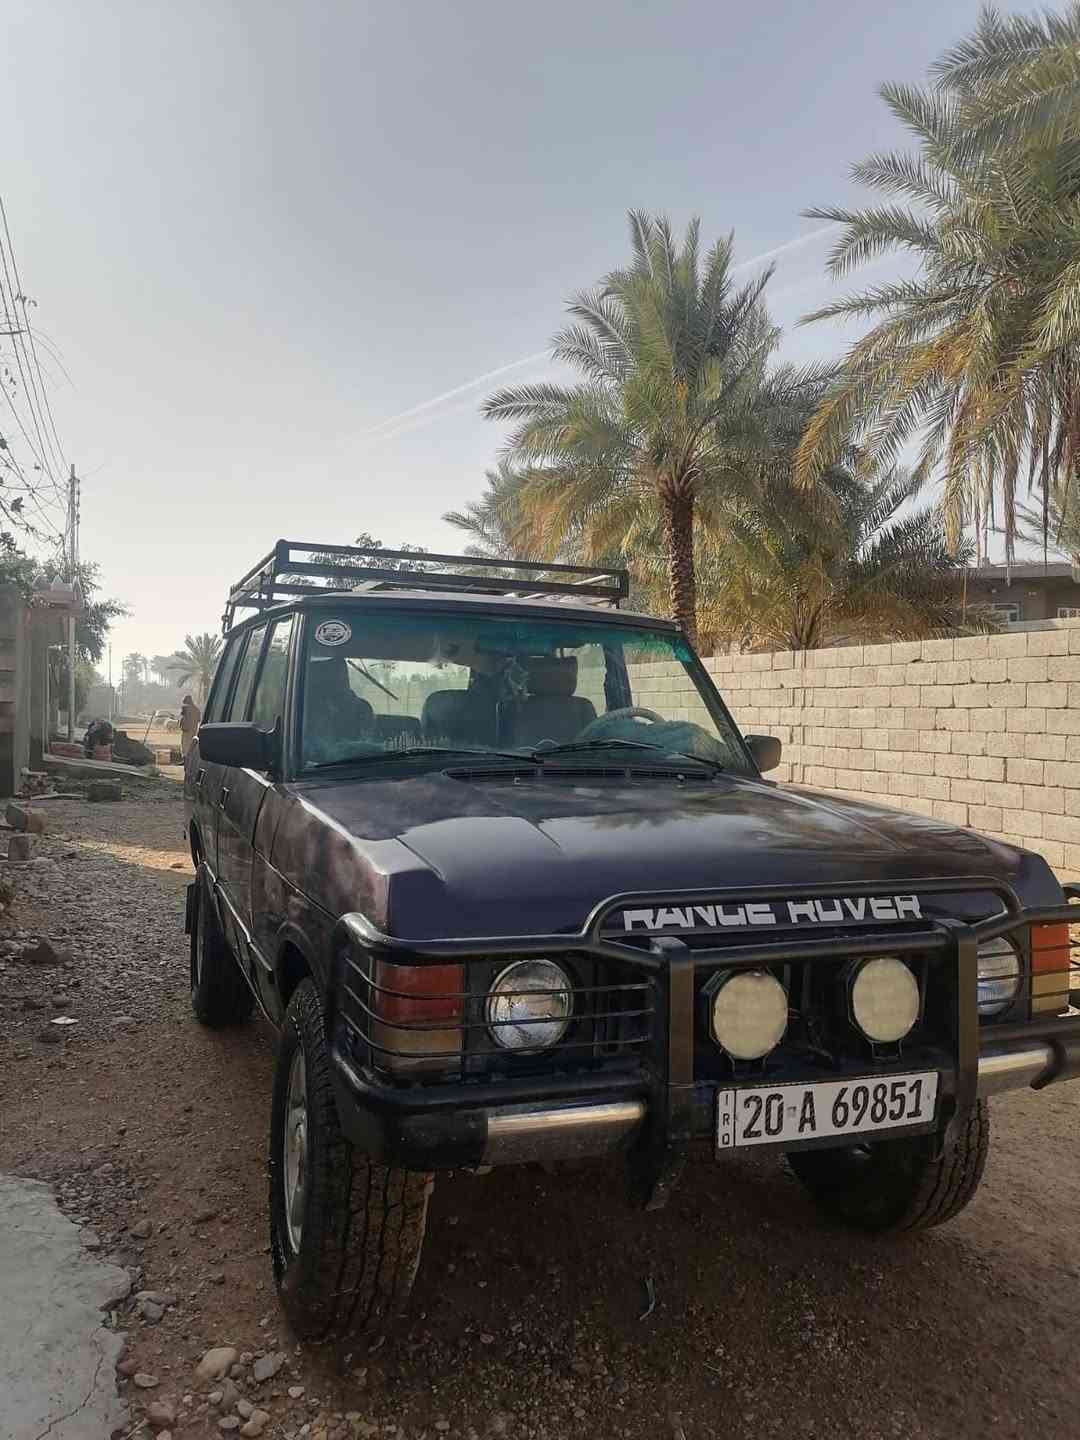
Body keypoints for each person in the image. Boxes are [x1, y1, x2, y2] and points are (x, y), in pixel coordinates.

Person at [180, 694, 201, 758]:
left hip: (186, 730)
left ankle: (185, 758)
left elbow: (182, 718)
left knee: (185, 744)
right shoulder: (197, 709)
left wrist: (181, 725)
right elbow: (199, 720)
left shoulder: (185, 708)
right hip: (194, 730)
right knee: (191, 744)